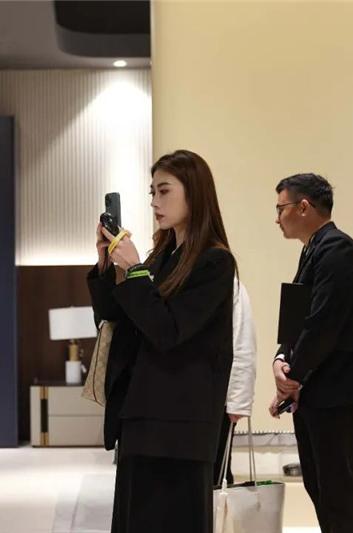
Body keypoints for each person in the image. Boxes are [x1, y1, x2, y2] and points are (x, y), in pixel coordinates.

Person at [87, 149, 236, 533]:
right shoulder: (161, 257)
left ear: (194, 193)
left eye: (164, 191)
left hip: (181, 426)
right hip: (142, 414)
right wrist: (108, 266)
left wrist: (135, 270)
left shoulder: (215, 262)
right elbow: (114, 318)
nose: (155, 201)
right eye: (152, 192)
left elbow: (168, 331)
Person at [269, 173, 353, 533]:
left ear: (303, 207)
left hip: (338, 396)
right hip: (318, 394)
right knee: (320, 488)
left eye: (280, 208)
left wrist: (292, 378)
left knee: (339, 495)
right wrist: (282, 360)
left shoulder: (338, 250)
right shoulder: (316, 249)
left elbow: (323, 324)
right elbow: (298, 318)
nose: (276, 218)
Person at [213, 278, 257, 486]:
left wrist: (238, 401)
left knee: (215, 477)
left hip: (216, 403)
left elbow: (242, 341)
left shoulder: (227, 280)